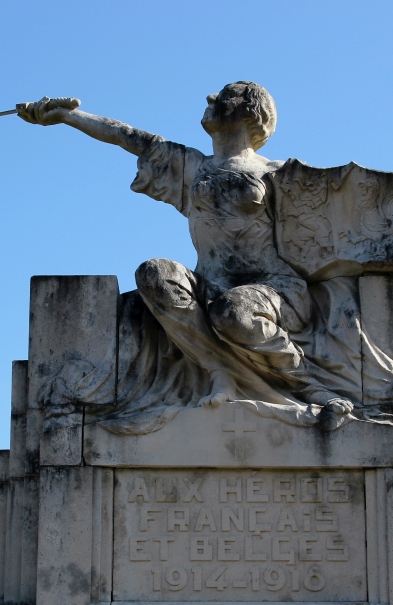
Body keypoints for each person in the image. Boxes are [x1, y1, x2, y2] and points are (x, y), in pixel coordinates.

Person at [18, 82, 359, 423]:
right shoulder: (194, 168)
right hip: (210, 284)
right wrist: (70, 116)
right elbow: (131, 138)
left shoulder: (279, 173)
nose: (211, 99)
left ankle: (312, 386)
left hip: (276, 291)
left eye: (226, 96)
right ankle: (219, 369)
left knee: (233, 311)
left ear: (254, 112)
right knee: (154, 272)